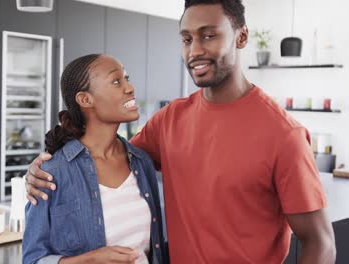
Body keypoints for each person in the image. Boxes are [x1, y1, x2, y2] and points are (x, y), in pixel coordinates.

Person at [24, 0, 336, 263]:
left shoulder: (283, 135)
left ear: (241, 37)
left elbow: (320, 242)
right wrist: (44, 163)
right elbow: (103, 159)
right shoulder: (170, 120)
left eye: (209, 36)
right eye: (186, 39)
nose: (194, 50)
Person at [22, 54, 167, 264]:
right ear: (85, 99)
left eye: (127, 78)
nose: (129, 87)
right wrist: (87, 261)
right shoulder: (51, 172)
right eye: (117, 81)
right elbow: (32, 259)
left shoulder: (141, 161)